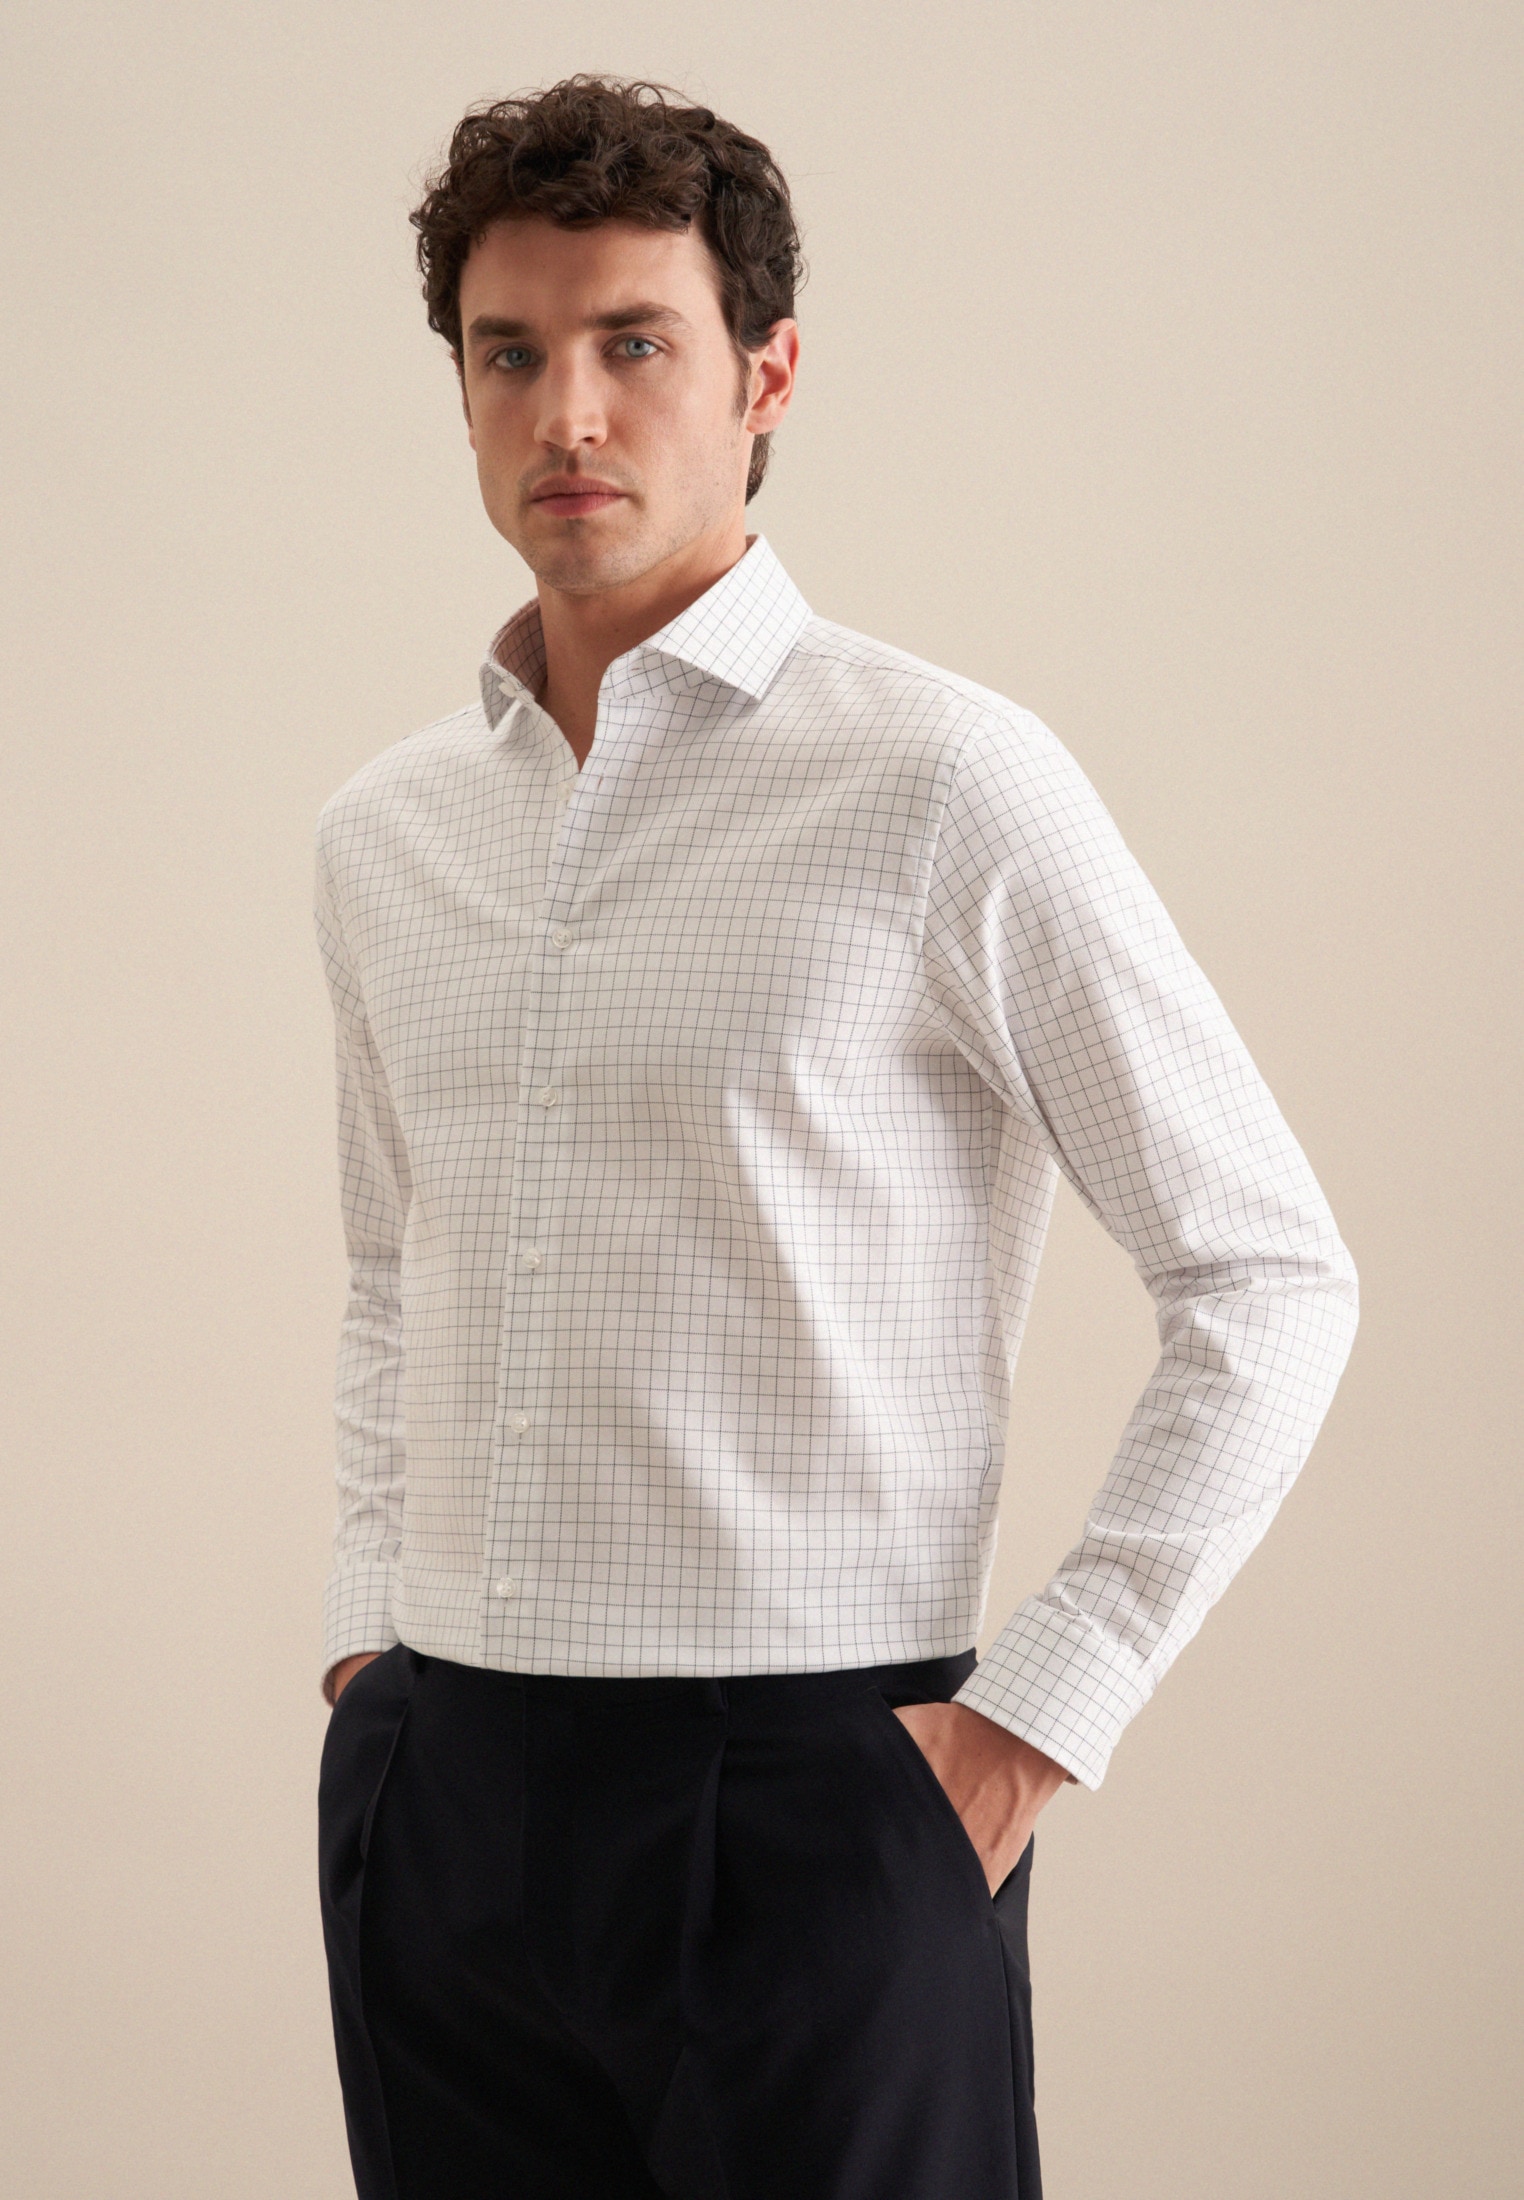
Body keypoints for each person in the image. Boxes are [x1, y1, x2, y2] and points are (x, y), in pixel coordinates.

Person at [312, 74, 1358, 2200]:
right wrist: (366, 1641)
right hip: (444, 1792)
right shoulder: (385, 834)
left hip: (814, 1791)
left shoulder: (944, 781)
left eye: (634, 342)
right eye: (509, 352)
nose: (566, 412)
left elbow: (1267, 1270)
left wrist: (1030, 1724)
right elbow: (392, 1266)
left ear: (765, 374)